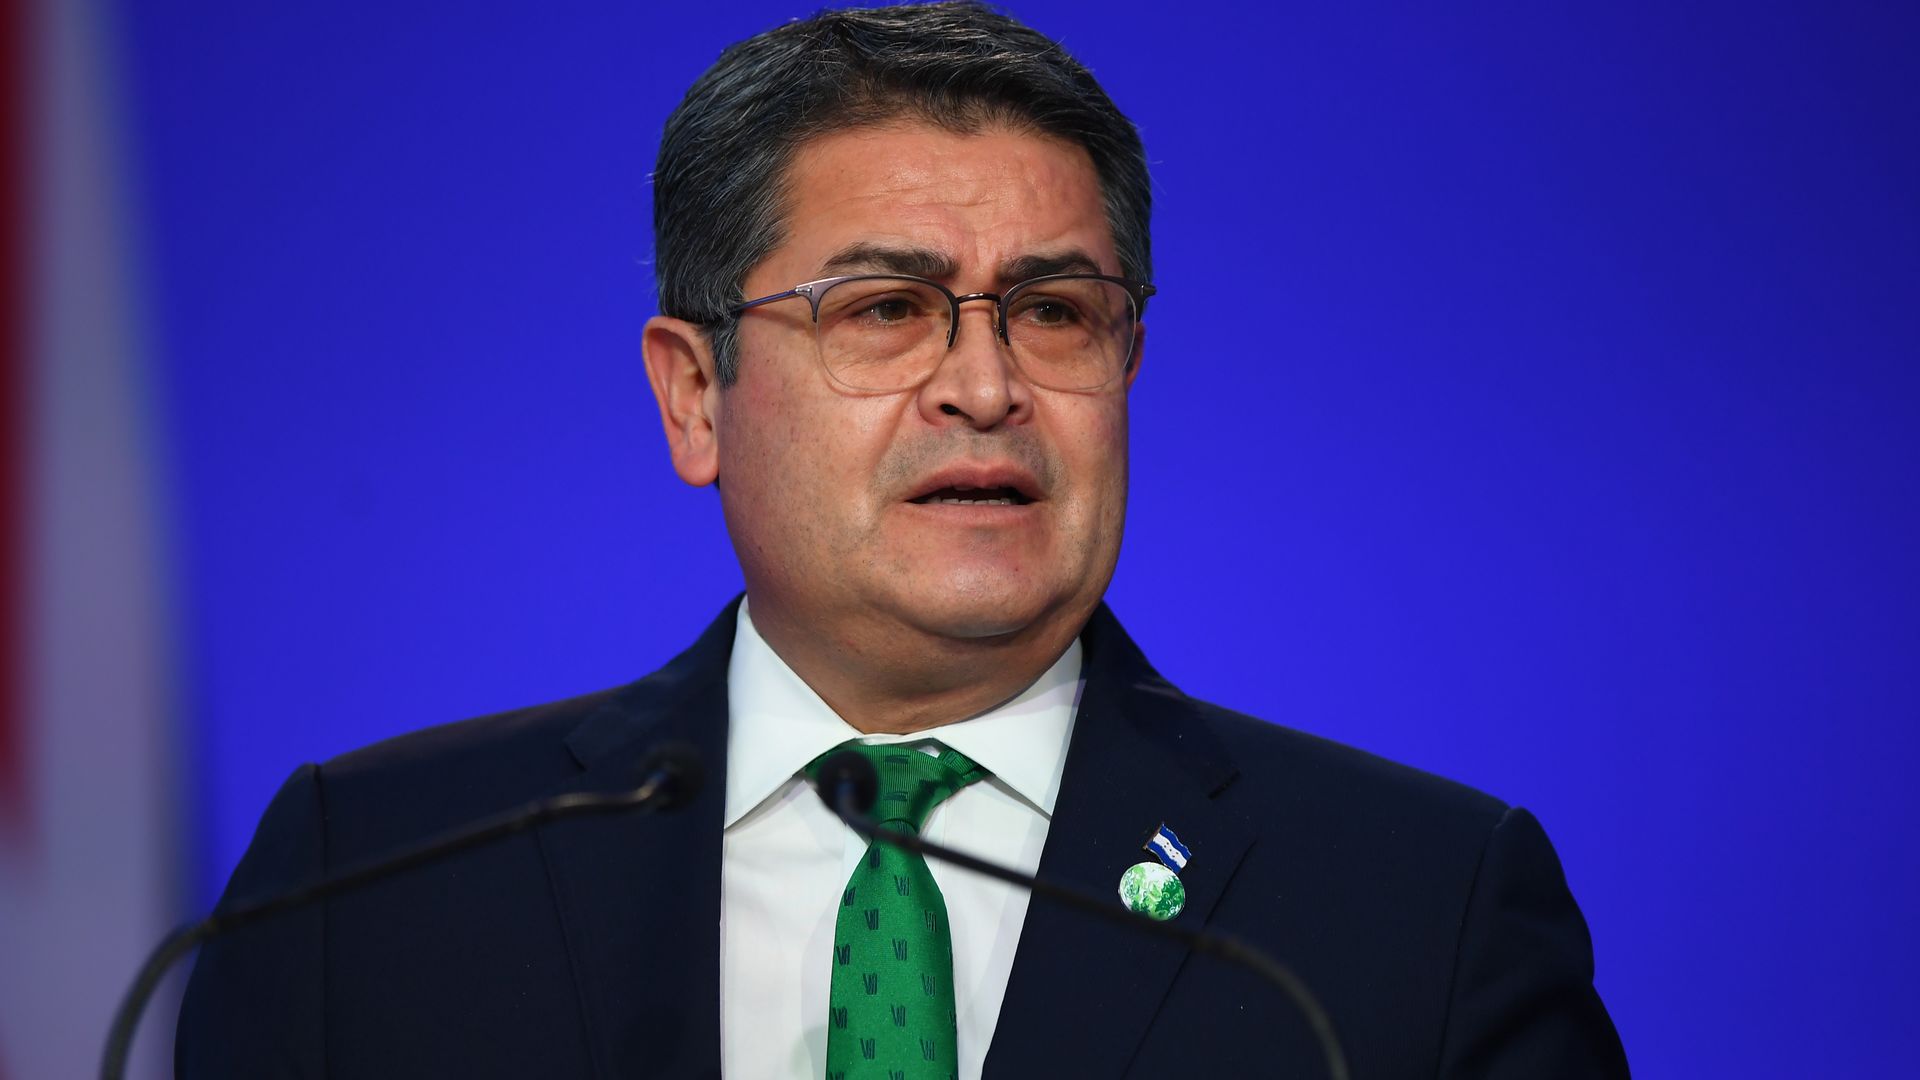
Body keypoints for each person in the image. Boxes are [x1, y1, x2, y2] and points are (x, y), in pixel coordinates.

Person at [176, 4, 1628, 1077]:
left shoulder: (1412, 909)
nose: (988, 386)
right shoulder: (371, 887)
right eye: (885, 310)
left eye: (1056, 312)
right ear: (696, 396)